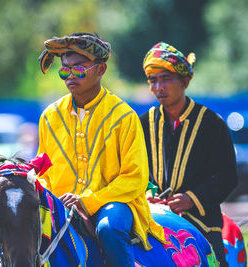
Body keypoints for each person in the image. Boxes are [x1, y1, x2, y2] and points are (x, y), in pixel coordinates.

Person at [36, 32, 165, 267]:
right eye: (65, 70)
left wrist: (89, 201)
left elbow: (135, 178)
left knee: (109, 229)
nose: (70, 76)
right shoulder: (49, 117)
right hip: (59, 205)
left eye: (79, 68)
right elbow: (43, 173)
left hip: (113, 203)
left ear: (101, 69)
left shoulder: (124, 116)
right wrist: (49, 198)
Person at [139, 41, 238, 266]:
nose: (158, 87)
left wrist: (191, 199)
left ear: (184, 82)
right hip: (153, 219)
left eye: (165, 78)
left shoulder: (212, 124)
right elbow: (134, 170)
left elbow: (227, 176)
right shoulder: (143, 124)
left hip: (201, 222)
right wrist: (146, 195)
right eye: (153, 80)